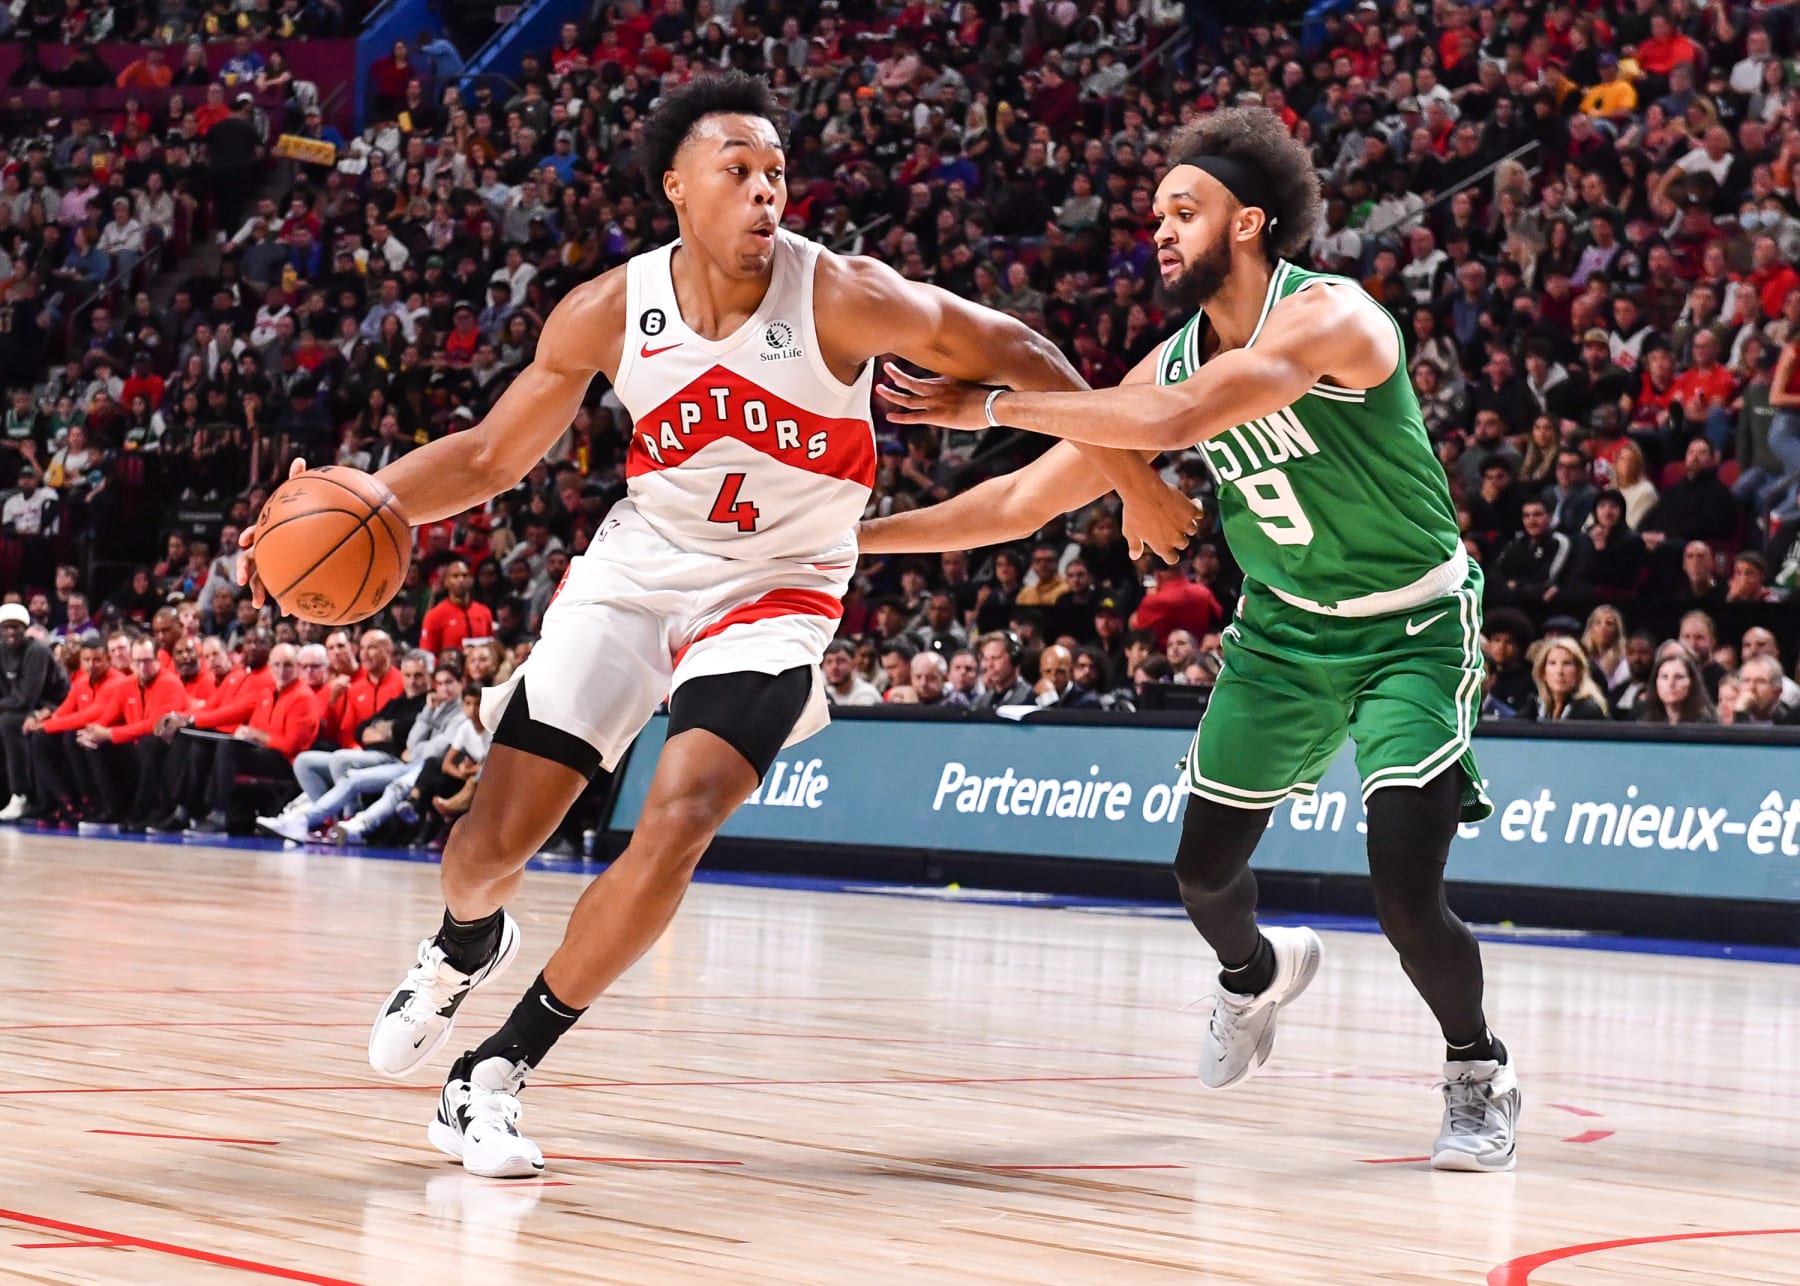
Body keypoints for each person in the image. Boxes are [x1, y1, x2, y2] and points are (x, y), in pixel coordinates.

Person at [238, 74, 1195, 1179]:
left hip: (780, 585)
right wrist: (373, 497)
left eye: (776, 173)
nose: (764, 192)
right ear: (677, 189)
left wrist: (1131, 479)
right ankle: (465, 939)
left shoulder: (842, 296)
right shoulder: (608, 310)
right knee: (484, 851)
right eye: (737, 171)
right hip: (638, 573)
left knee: (683, 812)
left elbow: (1020, 350)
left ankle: (493, 1072)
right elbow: (494, 455)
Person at [866, 105, 1518, 1169]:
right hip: (1283, 633)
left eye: (1184, 210)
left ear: (1249, 222)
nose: (1160, 231)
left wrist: (993, 402)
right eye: (1156, 214)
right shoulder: (1172, 357)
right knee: (1203, 874)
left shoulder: (1331, 317)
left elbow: (1175, 423)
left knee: (1404, 892)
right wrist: (850, 539)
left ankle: (1477, 1069)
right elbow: (1020, 504)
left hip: (1412, 628)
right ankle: (1256, 976)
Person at [1527, 638, 1610, 721]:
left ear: (1579, 672)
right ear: (1543, 673)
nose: (1559, 671)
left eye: (1567, 663)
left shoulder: (1589, 710)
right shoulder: (1536, 707)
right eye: (1552, 663)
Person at [1636, 646, 1718, 725]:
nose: (1671, 683)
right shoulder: (1645, 723)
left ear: (1691, 682)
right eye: (1664, 677)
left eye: (1679, 677)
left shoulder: (1707, 725)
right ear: (1656, 683)